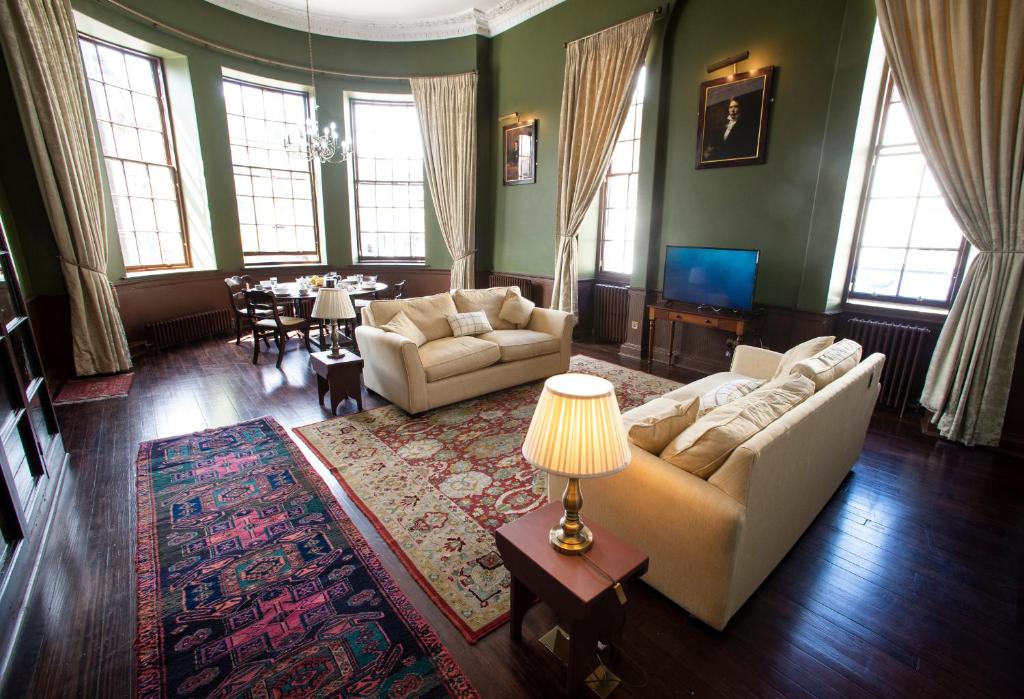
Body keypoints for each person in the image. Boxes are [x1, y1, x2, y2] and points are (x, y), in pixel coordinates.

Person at [704, 96, 759, 162]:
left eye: (735, 107)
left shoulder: (746, 125)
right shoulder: (723, 125)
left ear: (741, 108)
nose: (732, 110)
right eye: (730, 107)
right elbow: (715, 143)